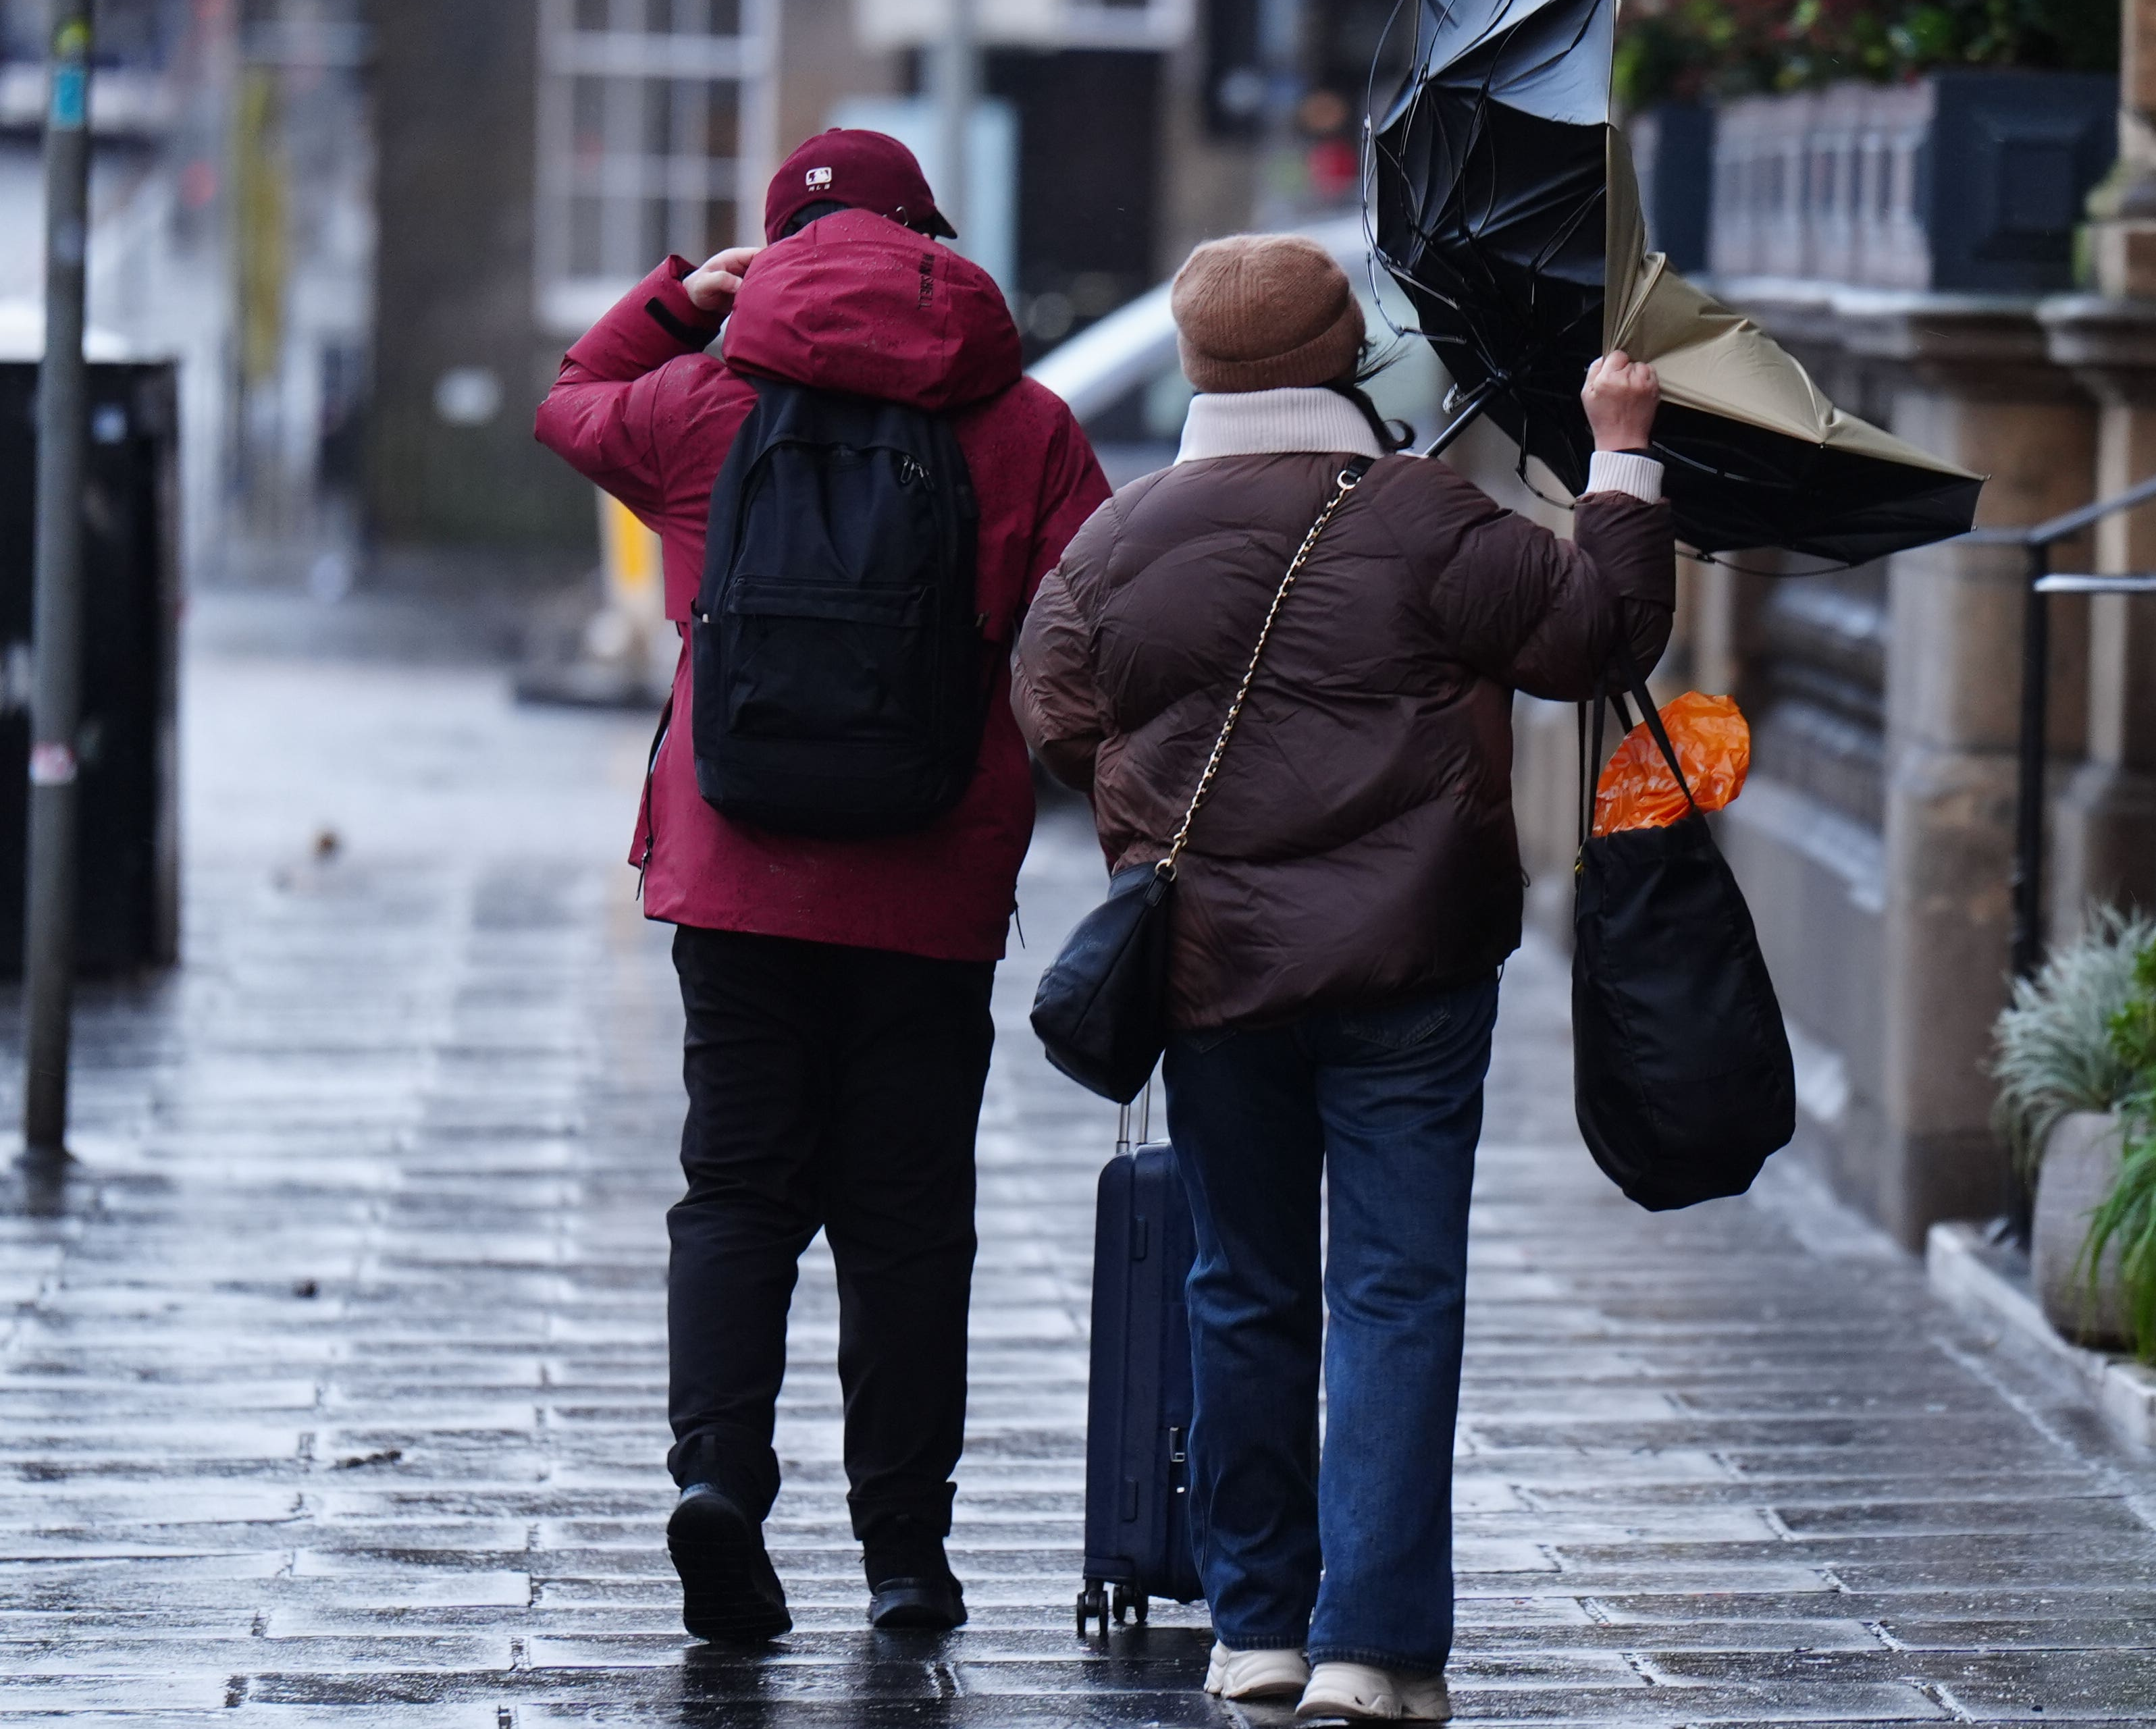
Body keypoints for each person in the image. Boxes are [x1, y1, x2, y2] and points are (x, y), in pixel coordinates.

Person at [1010, 235, 1674, 1722]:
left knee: (1241, 1287)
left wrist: (1163, 811)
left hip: (1215, 970)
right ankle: (1372, 1649)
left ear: (1193, 366)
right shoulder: (1425, 517)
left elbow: (1054, 709)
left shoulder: (1119, 543)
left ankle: (1257, 1631)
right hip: (1412, 965)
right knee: (1395, 1288)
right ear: (1343, 357)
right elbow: (1597, 635)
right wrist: (1620, 462)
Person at [533, 130, 1109, 1643]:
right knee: (909, 1219)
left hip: (737, 870)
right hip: (930, 884)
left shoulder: (707, 401)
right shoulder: (1027, 421)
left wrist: (679, 298)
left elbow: (567, 407)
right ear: (930, 238)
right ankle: (905, 1551)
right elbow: (1099, 620)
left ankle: (720, 1476)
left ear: (775, 252)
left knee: (736, 1186)